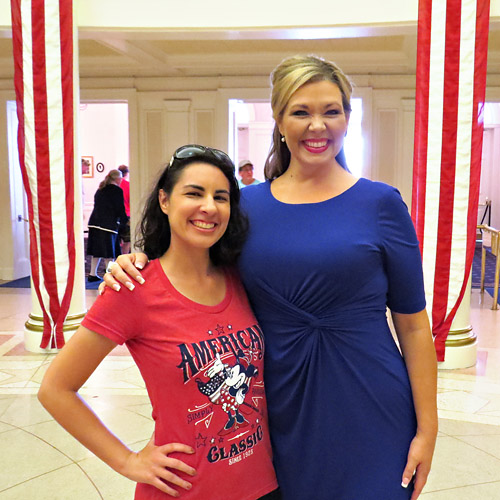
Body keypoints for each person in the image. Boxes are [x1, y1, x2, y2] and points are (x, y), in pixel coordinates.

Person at [102, 55, 438, 500]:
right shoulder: (244, 207)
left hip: (373, 405)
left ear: (347, 118)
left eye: (330, 111)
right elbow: (194, 274)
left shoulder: (381, 204)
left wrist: (428, 429)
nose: (316, 126)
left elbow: (413, 326)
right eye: (301, 112)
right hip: (277, 410)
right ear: (279, 120)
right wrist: (133, 263)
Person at [39, 145, 278, 500]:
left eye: (221, 197)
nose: (209, 207)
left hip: (262, 484)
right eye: (194, 193)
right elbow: (54, 390)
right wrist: (127, 461)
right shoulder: (133, 287)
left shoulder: (239, 276)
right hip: (185, 490)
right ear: (165, 201)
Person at [86, 169, 129, 282]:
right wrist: (125, 221)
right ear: (117, 179)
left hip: (94, 223)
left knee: (97, 251)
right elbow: (120, 209)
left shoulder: (100, 189)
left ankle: (92, 274)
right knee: (110, 252)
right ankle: (110, 274)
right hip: (108, 225)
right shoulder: (117, 191)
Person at [118, 164, 131, 254]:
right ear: (126, 173)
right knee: (127, 240)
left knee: (117, 240)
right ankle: (125, 257)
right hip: (127, 214)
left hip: (116, 216)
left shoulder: (116, 185)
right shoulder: (128, 185)